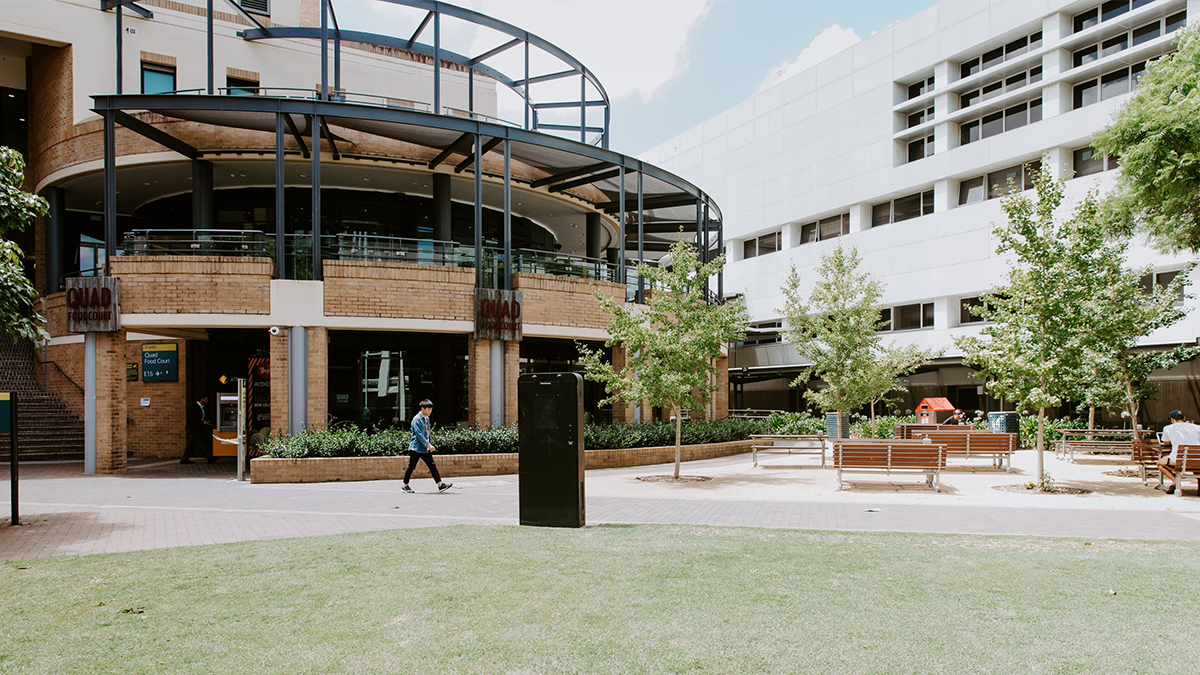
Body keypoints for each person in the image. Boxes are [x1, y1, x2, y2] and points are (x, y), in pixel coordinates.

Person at [402, 399, 452, 493]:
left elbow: (428, 433)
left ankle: (440, 485)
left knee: (432, 466)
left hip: (424, 449)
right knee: (411, 466)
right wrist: (428, 445)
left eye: (430, 410)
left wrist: (429, 444)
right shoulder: (416, 419)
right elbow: (419, 434)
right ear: (422, 409)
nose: (429, 412)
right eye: (428, 410)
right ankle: (405, 485)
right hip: (416, 448)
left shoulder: (427, 419)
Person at [1158, 410, 1199, 494]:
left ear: (1172, 419)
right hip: (1197, 459)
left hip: (1179, 460)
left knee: (1159, 463)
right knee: (1196, 463)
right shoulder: (1197, 427)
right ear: (1184, 418)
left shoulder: (1168, 428)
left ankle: (1175, 482)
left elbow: (1166, 443)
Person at [181, 394, 216, 464]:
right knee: (201, 442)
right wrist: (202, 422)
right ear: (202, 399)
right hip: (194, 428)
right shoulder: (195, 407)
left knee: (191, 443)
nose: (207, 401)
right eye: (206, 399)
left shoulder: (201, 407)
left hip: (196, 427)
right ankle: (209, 457)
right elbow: (193, 418)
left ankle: (184, 459)